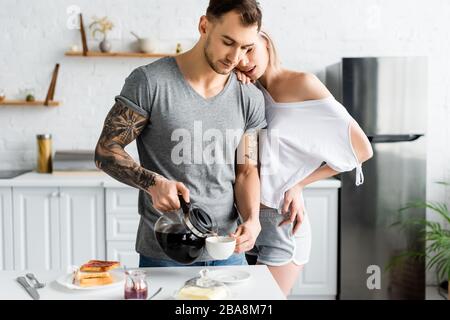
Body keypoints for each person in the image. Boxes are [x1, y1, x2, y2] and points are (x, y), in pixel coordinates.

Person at [94, 0, 267, 267]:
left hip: (227, 252)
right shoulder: (150, 82)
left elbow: (246, 170)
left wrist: (253, 220)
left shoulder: (249, 97)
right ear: (204, 26)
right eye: (228, 42)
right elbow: (105, 151)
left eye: (246, 47)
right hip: (165, 251)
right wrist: (152, 183)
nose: (235, 58)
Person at [235, 31, 374, 296]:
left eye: (249, 49)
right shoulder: (250, 90)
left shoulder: (303, 83)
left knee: (260, 302)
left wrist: (299, 185)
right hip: (246, 220)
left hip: (281, 221)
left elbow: (361, 149)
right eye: (237, 53)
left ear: (266, 41)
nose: (243, 60)